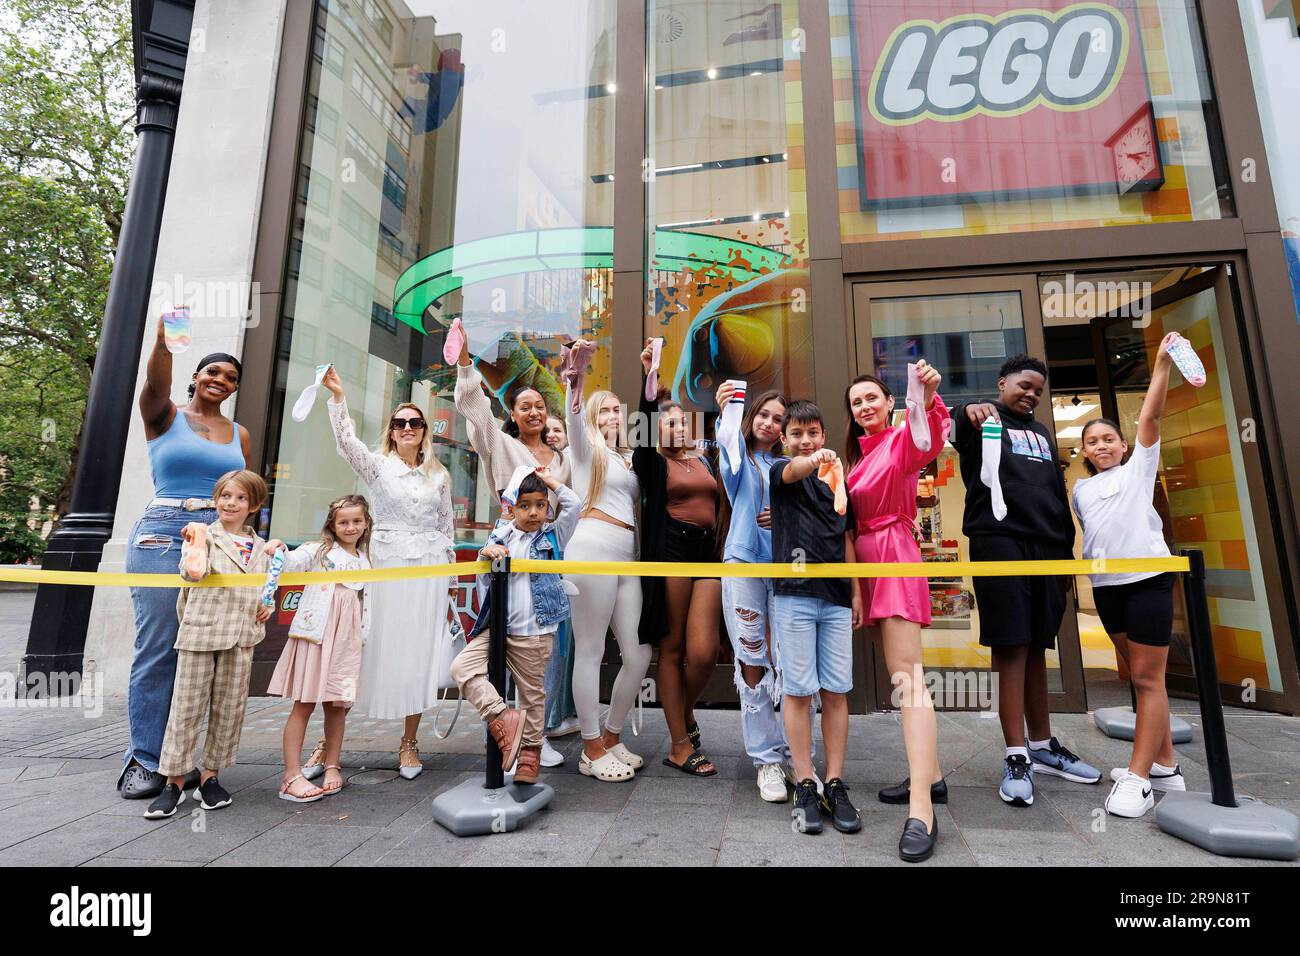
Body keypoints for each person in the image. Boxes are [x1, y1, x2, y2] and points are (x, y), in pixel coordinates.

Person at [951, 354, 1101, 808]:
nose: (1031, 393)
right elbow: (959, 421)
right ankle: (1016, 755)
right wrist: (969, 408)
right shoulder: (982, 420)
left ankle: (1042, 745)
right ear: (1002, 383)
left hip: (1049, 549)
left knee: (1037, 644)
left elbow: (1054, 494)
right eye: (1023, 384)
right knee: (1011, 645)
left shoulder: (1040, 434)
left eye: (1038, 388)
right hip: (1000, 542)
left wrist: (1066, 553)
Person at [121, 315, 251, 801]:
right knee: (159, 646)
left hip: (219, 540)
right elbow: (156, 379)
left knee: (201, 653)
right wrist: (163, 339)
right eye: (213, 372)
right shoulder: (165, 414)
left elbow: (243, 493)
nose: (221, 380)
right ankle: (144, 759)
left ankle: (182, 762)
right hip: (161, 535)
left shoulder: (240, 435)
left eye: (231, 377)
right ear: (196, 377)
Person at [322, 368, 455, 780]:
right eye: (400, 423)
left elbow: (446, 528)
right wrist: (339, 397)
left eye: (415, 422)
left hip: (429, 568)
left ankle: (410, 742)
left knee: (418, 651)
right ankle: (326, 746)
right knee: (365, 643)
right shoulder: (377, 466)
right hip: (388, 565)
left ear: (425, 430)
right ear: (392, 431)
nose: (408, 428)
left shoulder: (440, 475)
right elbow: (346, 443)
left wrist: (449, 581)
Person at [1075, 333, 1185, 818]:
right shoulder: (1081, 489)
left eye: (1108, 439)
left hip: (1148, 582)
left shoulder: (1139, 467)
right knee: (1138, 675)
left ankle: (1139, 779)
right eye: (1091, 442)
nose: (1101, 446)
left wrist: (1160, 365)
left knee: (1147, 678)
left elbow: (1151, 417)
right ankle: (1166, 763)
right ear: (1084, 451)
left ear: (1123, 444)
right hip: (1107, 589)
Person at [844, 363, 949, 861]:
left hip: (894, 553)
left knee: (908, 679)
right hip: (870, 563)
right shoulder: (859, 459)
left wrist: (920, 396)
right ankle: (932, 773)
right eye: (856, 402)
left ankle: (922, 807)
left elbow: (925, 437)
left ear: (888, 403)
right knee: (901, 675)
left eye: (871, 398)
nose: (864, 406)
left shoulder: (904, 435)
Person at [144, 470, 273, 819]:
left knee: (229, 710)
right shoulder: (202, 536)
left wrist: (266, 604)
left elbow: (265, 588)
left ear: (254, 506)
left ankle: (211, 776)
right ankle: (173, 780)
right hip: (201, 634)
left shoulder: (261, 548)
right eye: (225, 496)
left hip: (241, 636)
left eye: (240, 498)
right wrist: (197, 541)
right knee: (186, 708)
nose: (231, 503)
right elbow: (192, 573)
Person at [450, 467, 581, 785]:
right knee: (462, 668)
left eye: (540, 504)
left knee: (533, 696)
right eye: (525, 505)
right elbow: (483, 570)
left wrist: (548, 480)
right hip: (497, 629)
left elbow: (574, 504)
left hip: (535, 633)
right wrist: (487, 551)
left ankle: (530, 754)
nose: (534, 512)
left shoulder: (552, 534)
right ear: (510, 508)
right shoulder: (502, 534)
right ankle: (501, 715)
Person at [769, 401, 863, 835]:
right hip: (794, 596)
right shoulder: (781, 474)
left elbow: (846, 540)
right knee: (798, 691)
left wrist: (857, 591)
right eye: (797, 434)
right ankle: (805, 782)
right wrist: (812, 460)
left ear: (824, 434)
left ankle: (835, 782)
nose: (805, 440)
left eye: (813, 433)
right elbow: (794, 471)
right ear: (784, 441)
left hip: (837, 597)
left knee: (838, 691)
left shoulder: (842, 482)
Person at [635, 340, 722, 777]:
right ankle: (678, 744)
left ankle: (683, 713)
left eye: (680, 419)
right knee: (671, 649)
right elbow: (645, 421)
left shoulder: (703, 460)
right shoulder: (651, 464)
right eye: (666, 421)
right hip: (671, 551)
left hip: (706, 553)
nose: (676, 425)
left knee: (705, 652)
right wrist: (650, 377)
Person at [563, 345, 651, 781]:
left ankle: (612, 736)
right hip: (592, 548)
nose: (614, 416)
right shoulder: (587, 450)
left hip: (628, 556)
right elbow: (573, 421)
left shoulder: (625, 458)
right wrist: (576, 380)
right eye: (607, 410)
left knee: (638, 653)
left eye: (619, 410)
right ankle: (591, 746)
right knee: (592, 650)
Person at [713, 381, 792, 802]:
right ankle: (766, 761)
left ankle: (799, 755)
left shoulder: (789, 465)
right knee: (752, 661)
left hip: (785, 568)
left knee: (791, 661)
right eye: (763, 415)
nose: (769, 423)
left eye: (778, 418)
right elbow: (727, 440)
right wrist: (730, 406)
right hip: (743, 563)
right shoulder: (738, 462)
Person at [267, 495, 374, 803]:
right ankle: (291, 775)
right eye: (343, 522)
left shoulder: (368, 559)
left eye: (356, 521)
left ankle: (332, 765)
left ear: (366, 523)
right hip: (317, 635)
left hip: (347, 641)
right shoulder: (319, 551)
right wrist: (277, 548)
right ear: (332, 524)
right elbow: (291, 563)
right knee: (304, 704)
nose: (350, 527)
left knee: (337, 706)